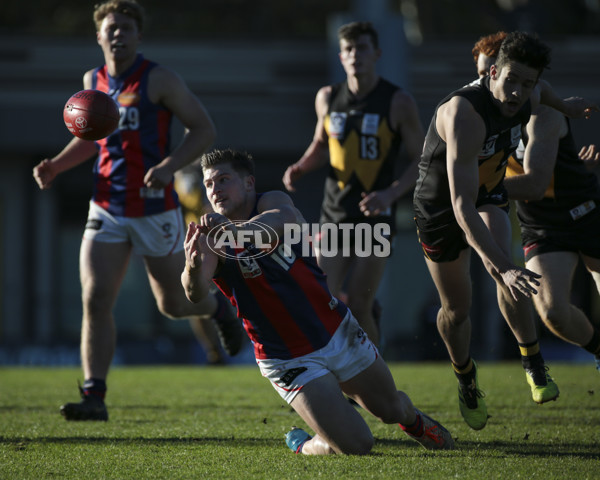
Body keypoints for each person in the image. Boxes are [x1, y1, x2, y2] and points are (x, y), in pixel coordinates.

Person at [32, 0, 243, 421]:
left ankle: (219, 308)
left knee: (174, 305)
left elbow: (204, 128)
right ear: (98, 35)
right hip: (106, 205)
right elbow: (92, 139)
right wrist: (56, 163)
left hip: (152, 209)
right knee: (95, 298)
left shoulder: (159, 78)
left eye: (127, 28)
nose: (118, 34)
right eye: (111, 28)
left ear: (138, 36)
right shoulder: (93, 80)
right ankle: (95, 396)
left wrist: (168, 167)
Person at [182, 148, 454, 455]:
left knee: (391, 409)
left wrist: (233, 231)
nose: (215, 189)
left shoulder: (271, 202)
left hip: (334, 329)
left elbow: (280, 222)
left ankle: (413, 420)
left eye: (223, 179)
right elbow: (195, 292)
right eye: (209, 184)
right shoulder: (208, 236)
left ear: (248, 184)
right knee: (357, 445)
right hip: (286, 357)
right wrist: (191, 266)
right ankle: (305, 444)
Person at [413, 31, 597, 431]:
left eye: (525, 84)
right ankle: (465, 376)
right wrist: (502, 266)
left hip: (489, 192)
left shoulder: (530, 92)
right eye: (510, 80)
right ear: (492, 72)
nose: (516, 92)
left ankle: (532, 360)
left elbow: (543, 89)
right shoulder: (464, 114)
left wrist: (564, 105)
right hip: (442, 208)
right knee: (457, 311)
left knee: (506, 267)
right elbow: (461, 206)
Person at [282, 21, 425, 347]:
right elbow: (321, 145)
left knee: (359, 305)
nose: (354, 55)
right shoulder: (328, 97)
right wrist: (300, 167)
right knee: (320, 301)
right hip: (334, 213)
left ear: (376, 53)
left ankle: (378, 391)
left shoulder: (398, 101)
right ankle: (329, 387)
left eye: (361, 48)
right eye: (348, 49)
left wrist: (390, 194)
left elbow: (423, 159)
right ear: (340, 56)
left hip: (375, 218)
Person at [475, 31, 600, 373]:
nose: (498, 87)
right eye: (485, 75)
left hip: (585, 212)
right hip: (541, 224)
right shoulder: (472, 114)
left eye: (523, 82)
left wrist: (471, 187)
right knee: (553, 311)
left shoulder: (542, 112)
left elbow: (534, 183)